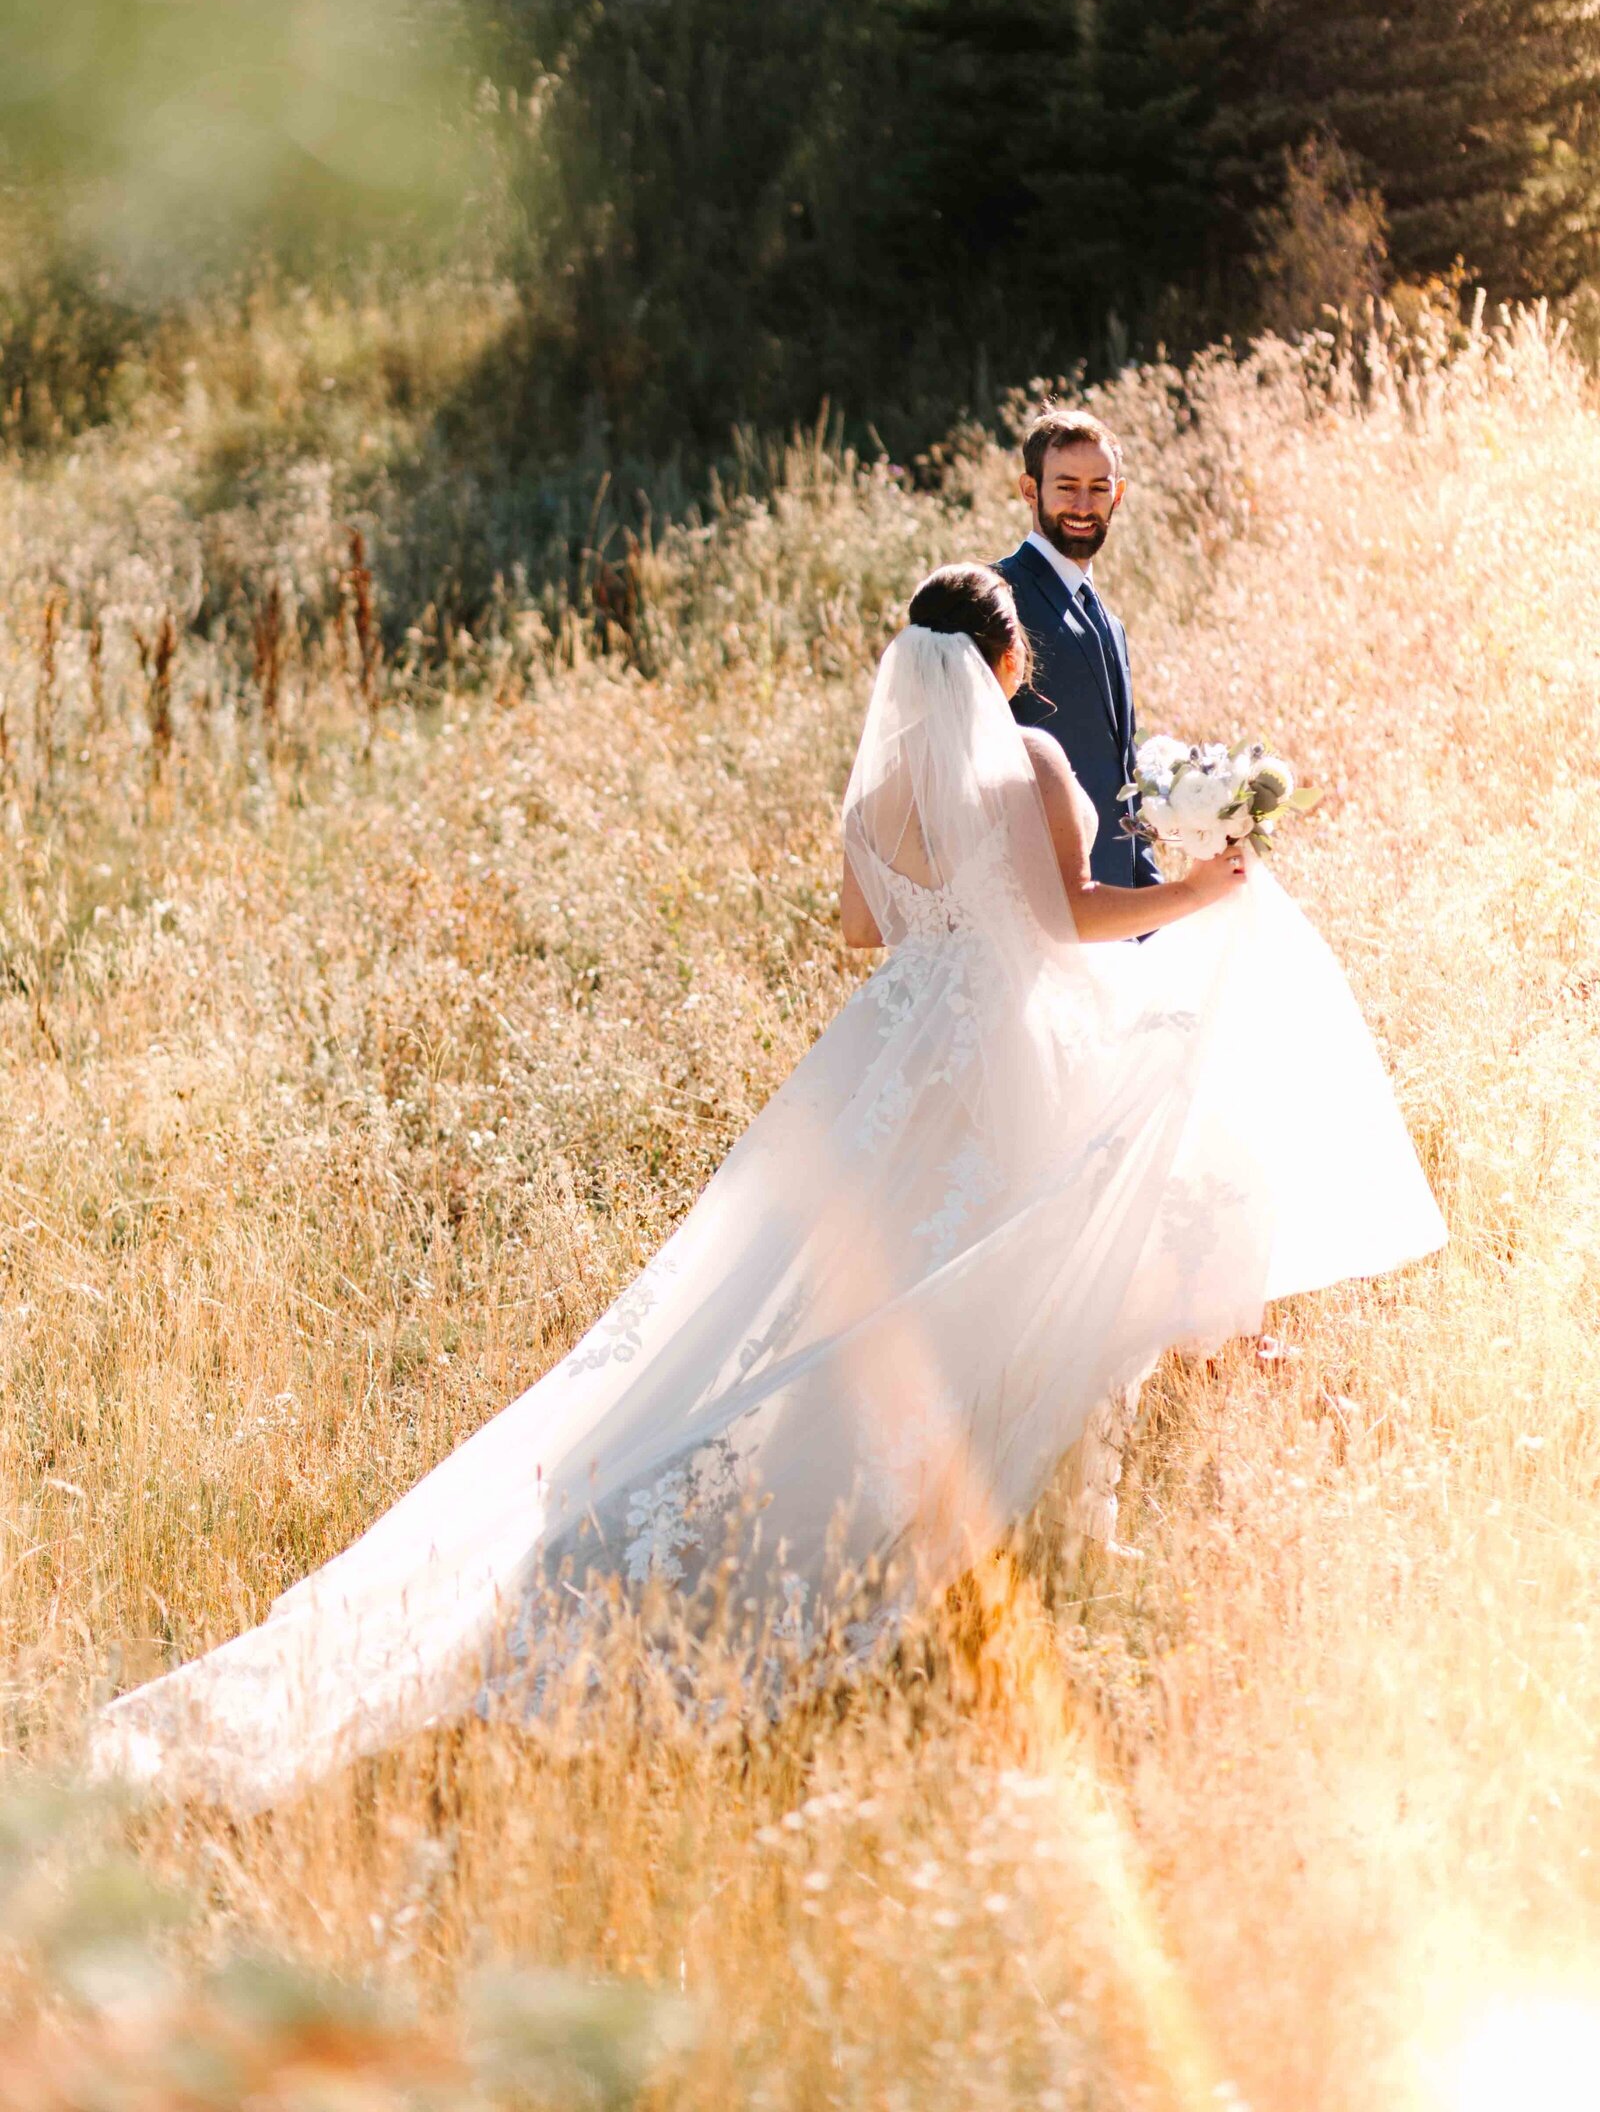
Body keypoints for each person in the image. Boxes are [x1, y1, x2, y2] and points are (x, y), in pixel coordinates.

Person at [89, 565, 1445, 1812]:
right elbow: (1072, 920)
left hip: (899, 1051)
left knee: (845, 1309)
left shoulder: (884, 792)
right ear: (1003, 656)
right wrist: (1214, 890)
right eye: (1017, 642)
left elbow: (863, 927)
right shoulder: (1028, 756)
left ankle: (910, 1534)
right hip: (1016, 1037)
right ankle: (998, 1555)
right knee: (1031, 1277)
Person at [995, 405, 1160, 892]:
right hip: (1040, 900)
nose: (1084, 506)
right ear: (1030, 490)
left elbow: (1121, 774)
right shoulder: (999, 598)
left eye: (1099, 488)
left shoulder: (1110, 622)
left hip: (1115, 907)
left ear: (1119, 495)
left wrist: (1145, 890)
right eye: (1066, 487)